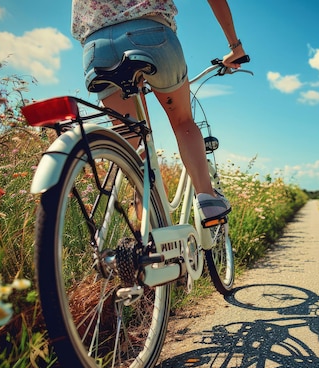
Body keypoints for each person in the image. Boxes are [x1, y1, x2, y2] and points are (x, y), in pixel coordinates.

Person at [71, 0, 248, 224]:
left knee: (135, 143)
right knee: (182, 121)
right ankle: (207, 199)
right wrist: (235, 47)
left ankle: (151, 227)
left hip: (97, 47)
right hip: (151, 34)